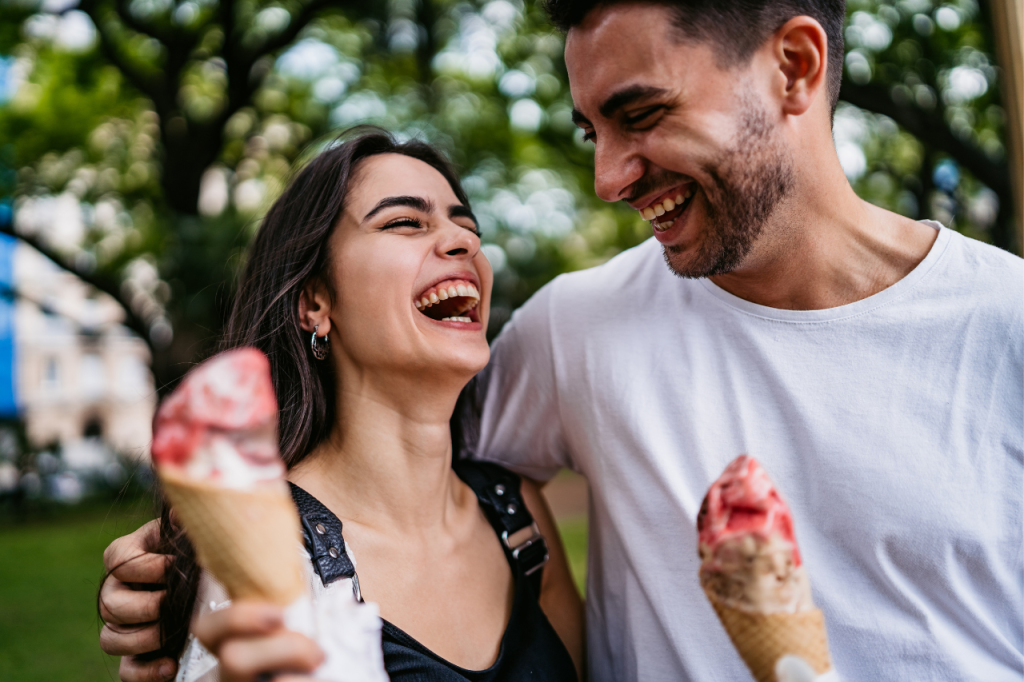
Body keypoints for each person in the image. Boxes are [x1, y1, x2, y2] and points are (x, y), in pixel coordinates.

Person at [102, 1, 1023, 681]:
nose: (607, 177)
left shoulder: (1007, 326)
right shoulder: (579, 329)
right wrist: (182, 568)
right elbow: (383, 450)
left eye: (642, 113)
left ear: (793, 65)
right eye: (590, 129)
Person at [99, 129, 584, 682]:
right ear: (314, 303)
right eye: (405, 222)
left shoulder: (516, 515)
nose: (463, 242)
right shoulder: (264, 561)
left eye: (467, 226)